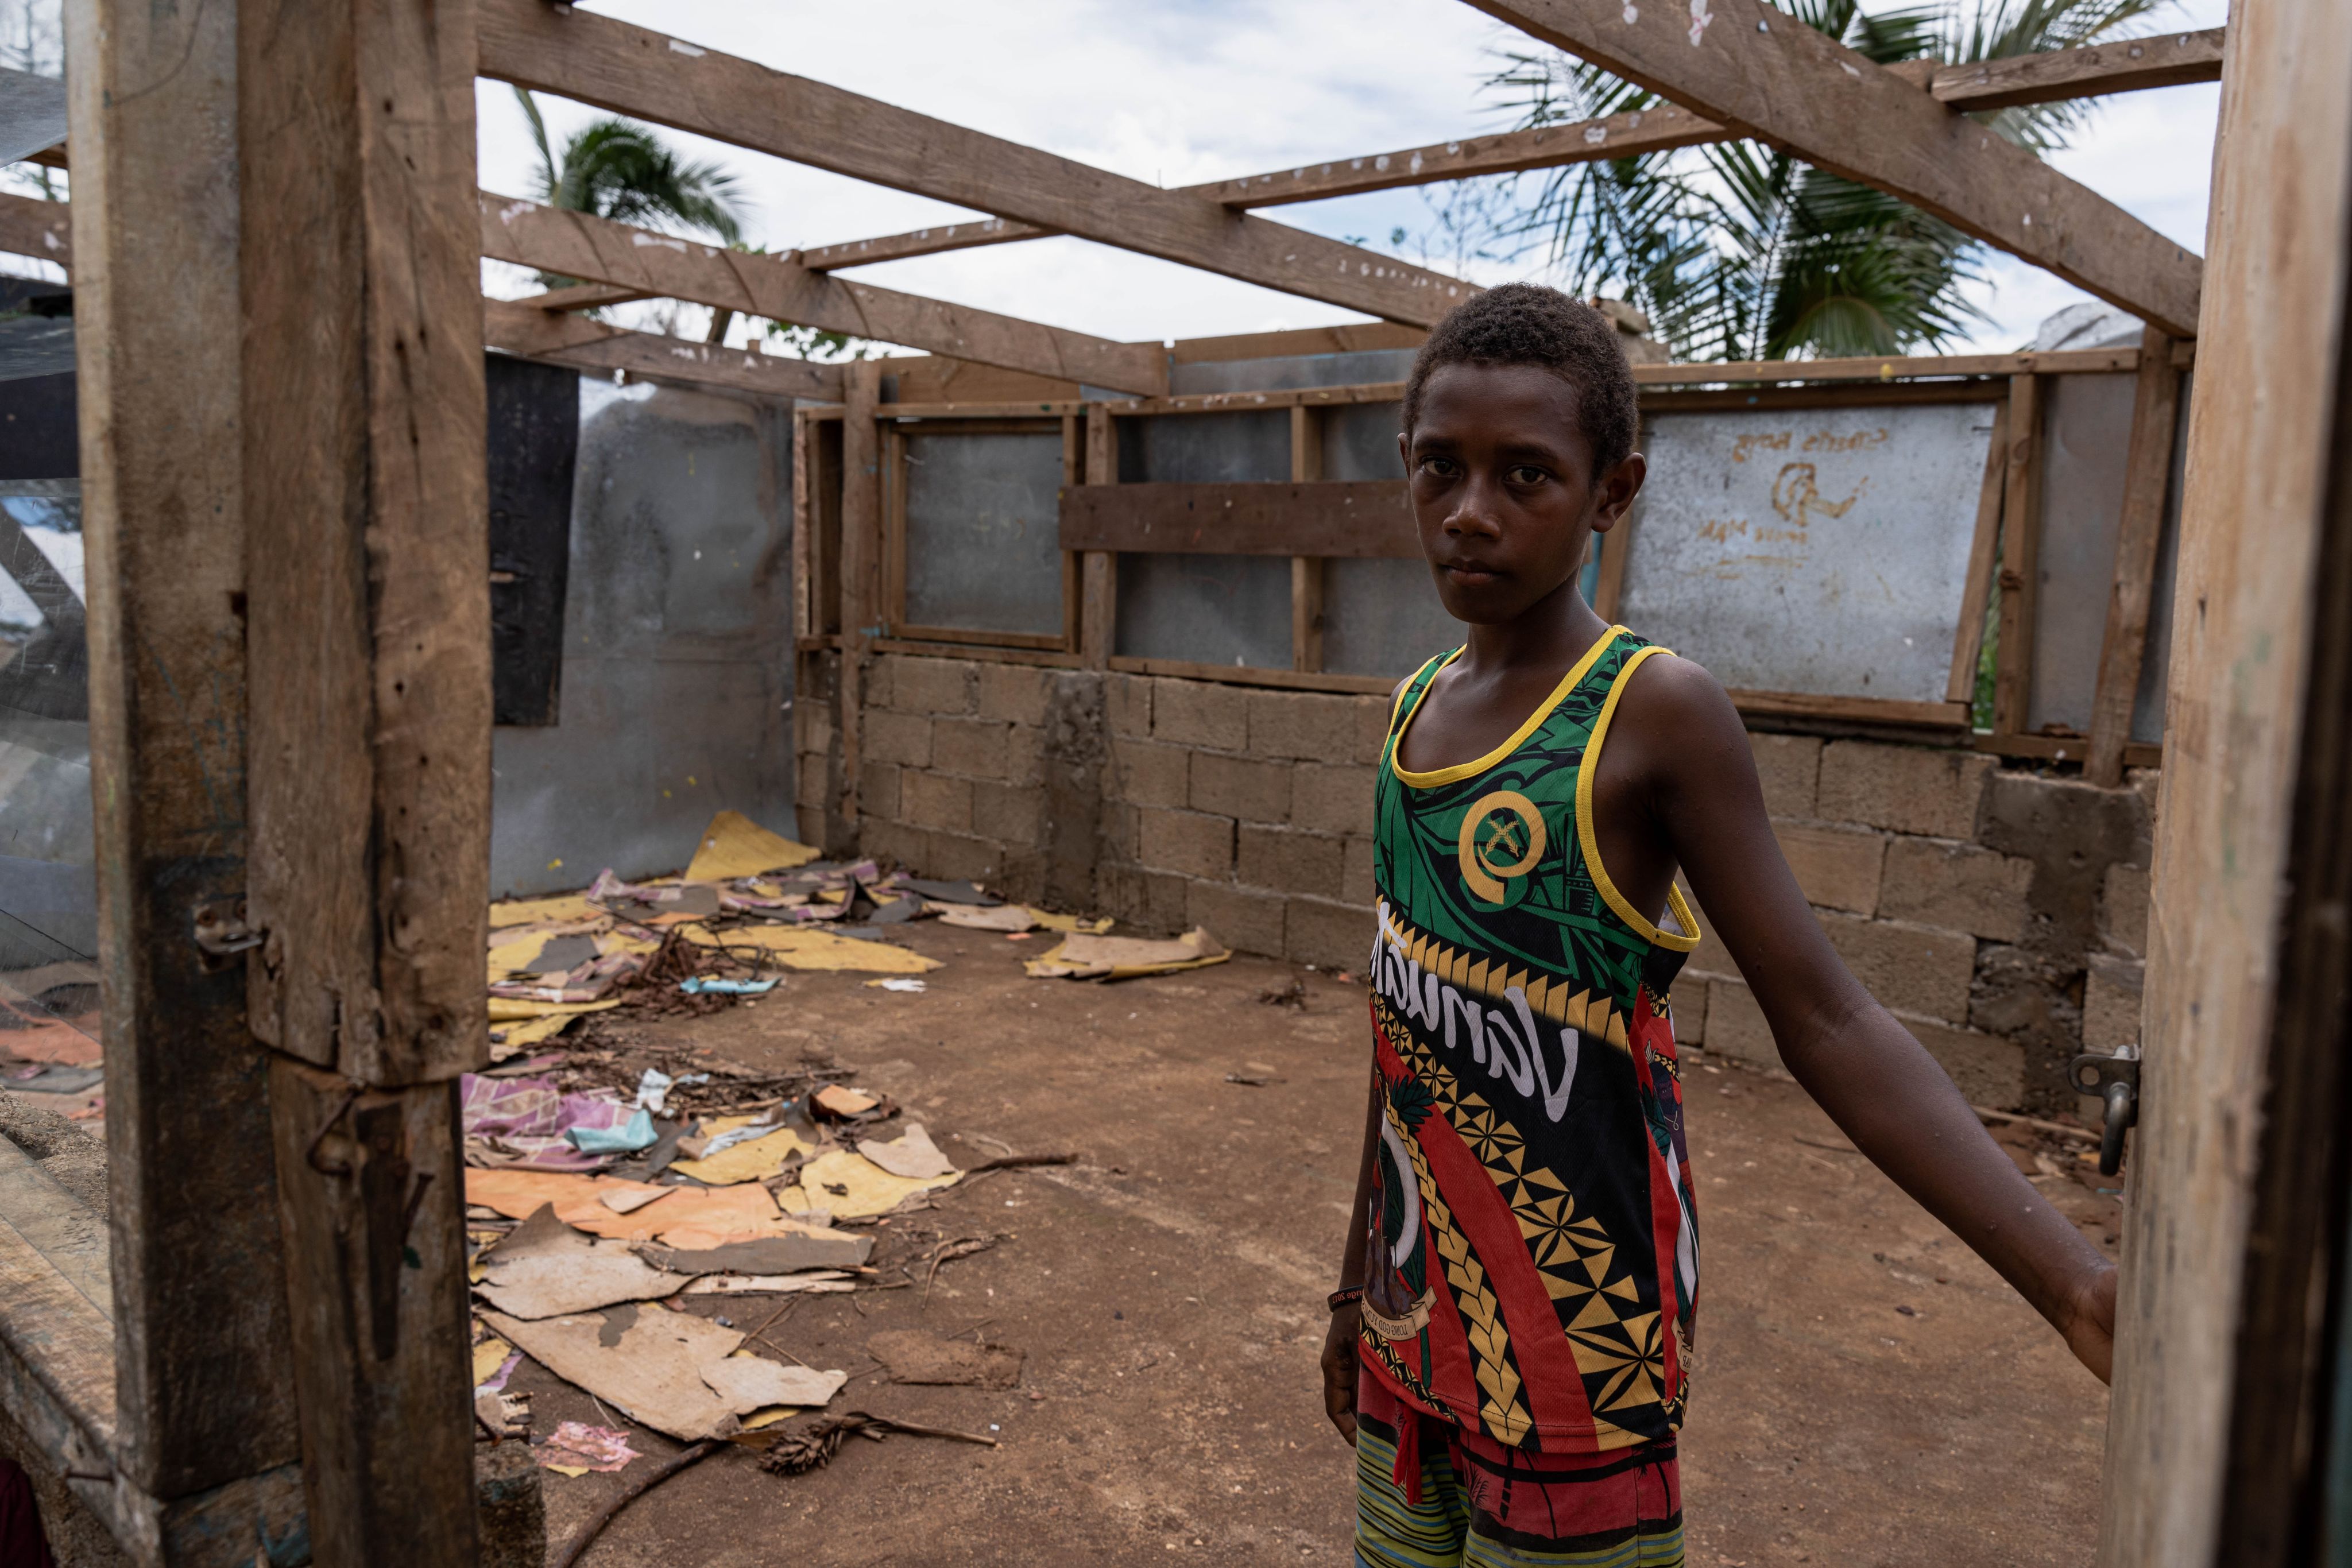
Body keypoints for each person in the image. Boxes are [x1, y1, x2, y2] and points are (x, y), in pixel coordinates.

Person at [1321, 283, 2117, 1567]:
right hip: (1418, 1315)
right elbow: (1398, 1032)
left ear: (1611, 490)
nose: (1469, 510)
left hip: (1579, 1337)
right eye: (1438, 468)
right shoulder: (1415, 708)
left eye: (1525, 474)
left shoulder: (1648, 713)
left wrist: (2069, 1279)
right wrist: (1358, 1283)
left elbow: (1828, 1015)